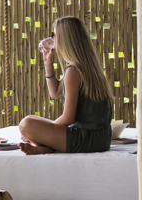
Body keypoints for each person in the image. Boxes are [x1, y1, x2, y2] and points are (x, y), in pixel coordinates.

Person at [18, 15, 114, 155]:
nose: (52, 39)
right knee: (32, 119)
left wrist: (39, 133)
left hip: (86, 139)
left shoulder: (74, 71)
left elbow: (68, 118)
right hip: (101, 139)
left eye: (54, 35)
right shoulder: (85, 66)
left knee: (26, 124)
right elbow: (55, 93)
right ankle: (46, 147)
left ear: (65, 38)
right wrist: (47, 63)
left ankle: (46, 146)